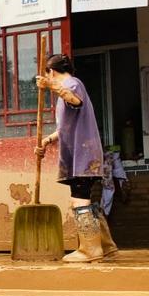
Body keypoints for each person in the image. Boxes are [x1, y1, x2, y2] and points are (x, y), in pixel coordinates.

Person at [35, 54, 118, 262]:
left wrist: (50, 86)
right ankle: (105, 245)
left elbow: (75, 101)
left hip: (84, 153)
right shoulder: (67, 91)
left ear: (51, 72)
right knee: (84, 197)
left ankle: (90, 249)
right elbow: (65, 127)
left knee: (78, 198)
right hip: (79, 152)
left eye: (48, 75)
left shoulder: (72, 84)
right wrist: (48, 140)